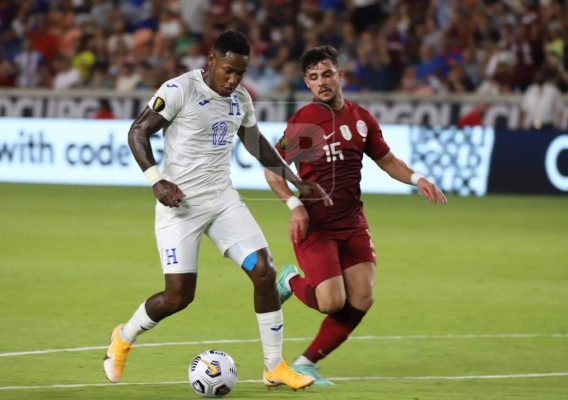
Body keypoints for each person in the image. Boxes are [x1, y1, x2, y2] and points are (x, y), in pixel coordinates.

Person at [103, 31, 332, 390]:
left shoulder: (240, 99)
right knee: (178, 297)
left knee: (265, 271)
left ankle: (274, 366)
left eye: (240, 73)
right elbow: (138, 132)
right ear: (212, 60)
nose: (233, 80)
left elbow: (256, 144)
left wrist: (296, 180)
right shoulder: (180, 90)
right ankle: (124, 336)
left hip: (223, 201)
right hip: (180, 205)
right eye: (228, 71)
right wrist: (157, 181)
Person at [264, 45, 447, 385]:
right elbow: (273, 170)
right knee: (331, 302)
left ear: (341, 75)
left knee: (363, 297)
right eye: (314, 77)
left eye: (327, 74)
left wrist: (417, 178)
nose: (322, 82)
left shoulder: (361, 119)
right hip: (316, 226)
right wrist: (294, 206)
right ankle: (288, 280)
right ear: (307, 83)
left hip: (352, 223)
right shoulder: (305, 122)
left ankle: (306, 363)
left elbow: (387, 160)